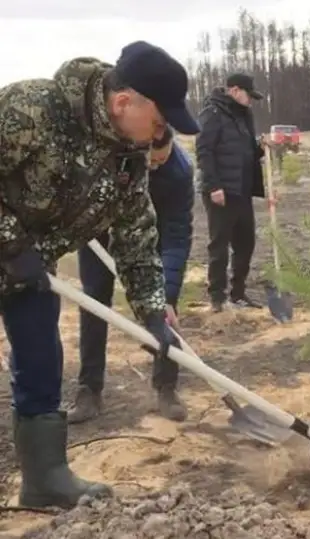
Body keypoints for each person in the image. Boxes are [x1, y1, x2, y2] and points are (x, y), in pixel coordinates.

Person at [0, 40, 197, 509]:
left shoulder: (129, 156)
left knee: (41, 364)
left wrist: (152, 311)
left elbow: (135, 233)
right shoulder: (32, 110)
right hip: (16, 251)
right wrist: (9, 241)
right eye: (160, 121)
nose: (160, 133)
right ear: (124, 102)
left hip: (29, 272)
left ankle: (44, 479)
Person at [69, 128, 195, 425]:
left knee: (165, 310)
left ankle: (166, 386)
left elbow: (177, 236)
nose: (155, 167)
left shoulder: (179, 172)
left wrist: (166, 293)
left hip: (154, 240)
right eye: (151, 162)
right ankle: (89, 388)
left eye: (160, 162)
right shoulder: (111, 155)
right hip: (100, 234)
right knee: (94, 304)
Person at [196, 73, 266, 313]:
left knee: (246, 243)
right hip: (221, 191)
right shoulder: (213, 113)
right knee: (220, 244)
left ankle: (238, 294)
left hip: (242, 190)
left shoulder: (244, 115)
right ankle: (217, 297)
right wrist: (214, 186)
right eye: (249, 95)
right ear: (235, 91)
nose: (251, 101)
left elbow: (245, 150)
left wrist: (260, 148)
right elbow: (204, 150)